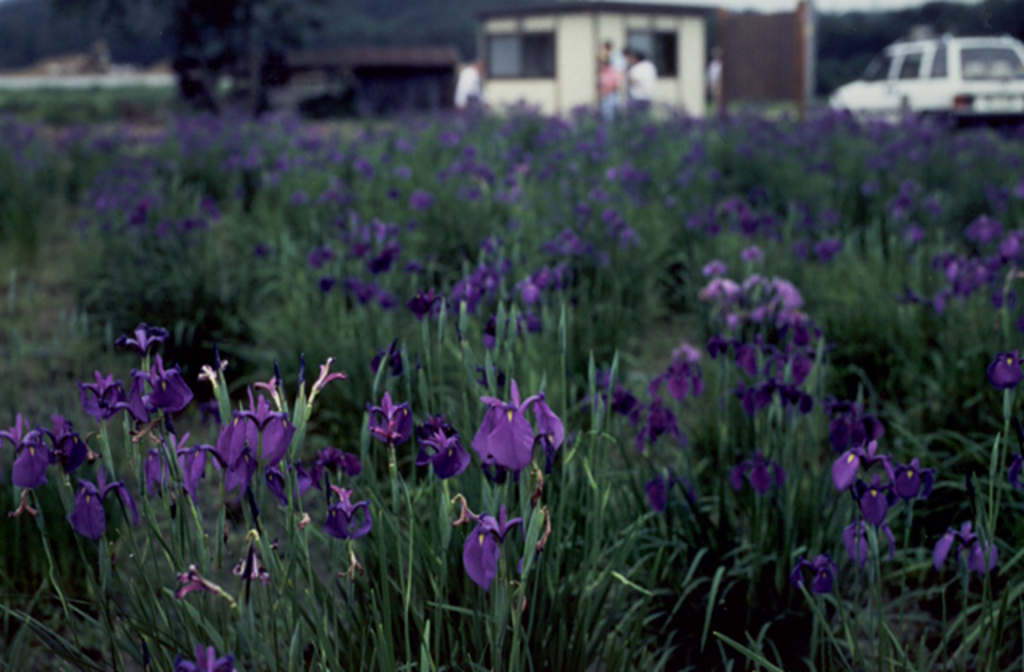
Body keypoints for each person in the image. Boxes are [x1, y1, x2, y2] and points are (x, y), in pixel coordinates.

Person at [625, 48, 657, 113]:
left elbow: (631, 80)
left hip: (637, 97)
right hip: (648, 96)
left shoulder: (636, 68)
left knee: (636, 119)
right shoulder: (650, 66)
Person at [598, 54, 622, 122]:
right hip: (604, 97)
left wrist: (607, 90)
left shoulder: (612, 71)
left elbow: (616, 85)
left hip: (611, 96)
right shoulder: (602, 72)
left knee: (610, 117)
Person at [707, 46, 724, 111]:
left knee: (720, 99)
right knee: (716, 99)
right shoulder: (712, 65)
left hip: (721, 84)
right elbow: (710, 76)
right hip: (714, 84)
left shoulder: (722, 64)